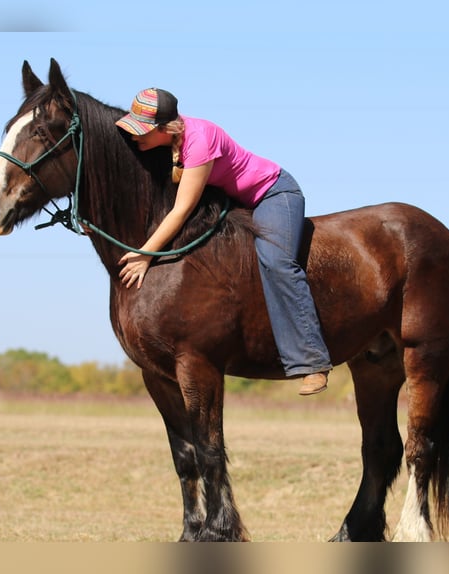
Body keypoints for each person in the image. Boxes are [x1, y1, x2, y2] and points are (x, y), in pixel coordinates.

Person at [115, 88, 332, 396]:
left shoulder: (199, 141)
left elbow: (180, 211)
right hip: (234, 201)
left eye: (142, 131)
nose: (136, 137)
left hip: (271, 194)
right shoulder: (164, 142)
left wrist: (145, 254)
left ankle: (311, 361)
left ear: (165, 130)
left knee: (276, 261)